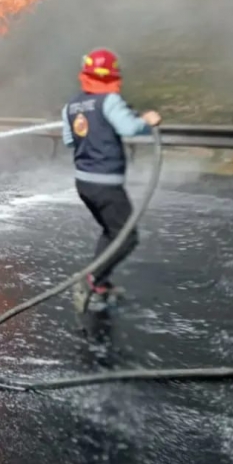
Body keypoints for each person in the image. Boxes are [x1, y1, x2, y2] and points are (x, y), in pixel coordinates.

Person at [62, 48, 161, 312]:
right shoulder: (110, 101)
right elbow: (129, 128)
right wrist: (147, 120)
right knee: (127, 237)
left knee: (111, 231)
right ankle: (90, 280)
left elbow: (69, 140)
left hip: (84, 184)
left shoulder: (71, 106)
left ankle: (100, 284)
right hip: (106, 184)